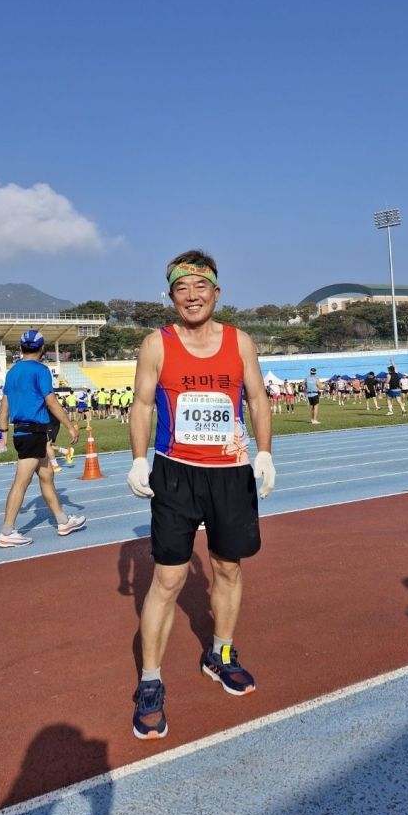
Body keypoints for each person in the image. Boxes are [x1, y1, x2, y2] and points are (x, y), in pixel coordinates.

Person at [126, 250, 275, 741]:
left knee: (229, 568)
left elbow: (256, 397)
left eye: (200, 287)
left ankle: (222, 653)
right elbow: (143, 403)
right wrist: (138, 458)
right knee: (167, 580)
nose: (191, 297)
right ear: (171, 296)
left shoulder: (240, 341)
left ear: (216, 292)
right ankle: (150, 681)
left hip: (231, 474)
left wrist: (266, 454)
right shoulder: (157, 343)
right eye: (181, 289)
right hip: (175, 475)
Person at [0, 330, 85, 548]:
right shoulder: (41, 370)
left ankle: (62, 521)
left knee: (47, 476)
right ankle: (7, 531)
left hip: (24, 432)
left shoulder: (13, 371)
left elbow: (4, 404)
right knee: (21, 482)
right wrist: (70, 425)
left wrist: (2, 433)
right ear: (42, 348)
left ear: (20, 348)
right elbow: (52, 402)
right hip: (33, 432)